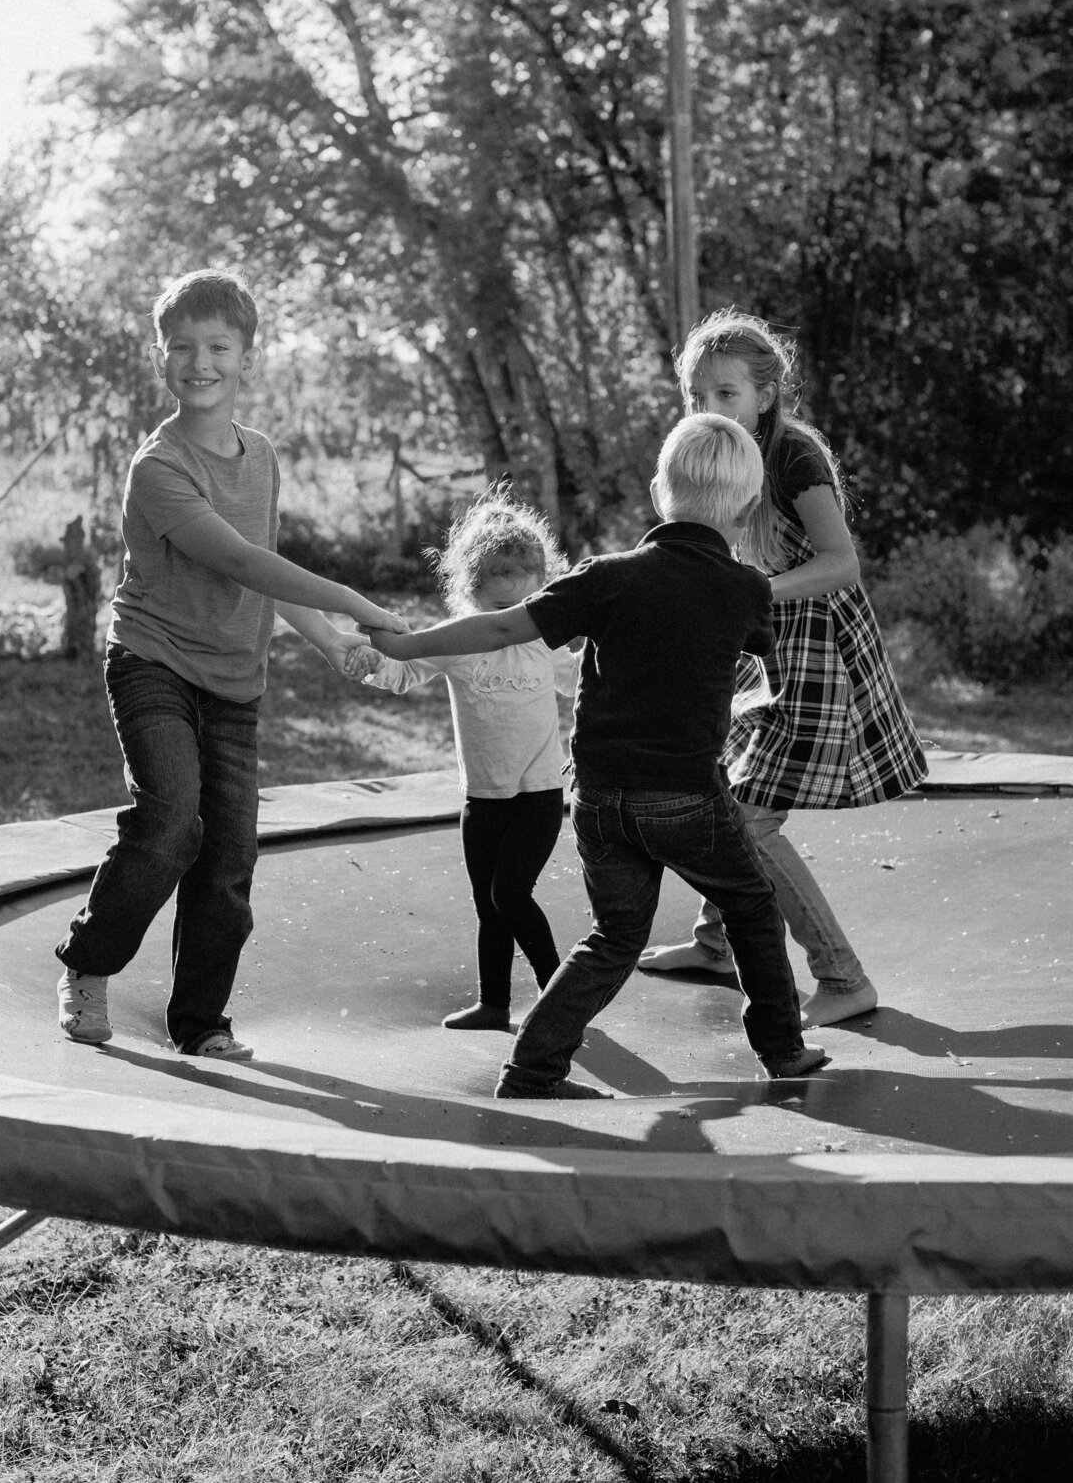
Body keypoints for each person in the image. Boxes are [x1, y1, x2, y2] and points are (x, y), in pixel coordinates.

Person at [364, 414, 826, 1098]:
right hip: (686, 797)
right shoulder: (746, 589)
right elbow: (753, 649)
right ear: (749, 508)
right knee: (752, 907)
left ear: (658, 492)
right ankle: (782, 1050)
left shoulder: (606, 577)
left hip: (601, 799)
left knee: (614, 936)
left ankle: (533, 1067)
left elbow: (500, 627)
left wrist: (405, 645)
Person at [56, 268, 405, 1060]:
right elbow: (241, 561)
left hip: (234, 682)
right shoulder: (159, 467)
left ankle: (201, 1022)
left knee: (229, 857)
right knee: (171, 820)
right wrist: (354, 600)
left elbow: (264, 570)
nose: (199, 362)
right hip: (153, 662)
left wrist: (329, 640)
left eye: (218, 347)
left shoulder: (262, 456)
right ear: (160, 358)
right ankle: (88, 961)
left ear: (248, 358)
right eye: (181, 347)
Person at [638, 309, 926, 1027]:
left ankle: (842, 977)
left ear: (765, 395)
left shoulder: (792, 456)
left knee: (750, 818)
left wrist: (753, 593)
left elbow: (841, 562)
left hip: (815, 646)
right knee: (723, 787)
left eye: (726, 393)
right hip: (763, 641)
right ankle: (716, 945)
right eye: (697, 396)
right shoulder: (718, 452)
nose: (709, 407)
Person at [349, 488, 579, 1032]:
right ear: (471, 594)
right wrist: (368, 660)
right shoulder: (458, 642)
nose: (512, 622)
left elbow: (581, 685)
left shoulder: (545, 643)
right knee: (488, 905)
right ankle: (494, 1004)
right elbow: (403, 671)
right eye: (501, 610)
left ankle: (562, 1001)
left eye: (524, 609)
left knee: (510, 894)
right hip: (482, 798)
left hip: (540, 793)